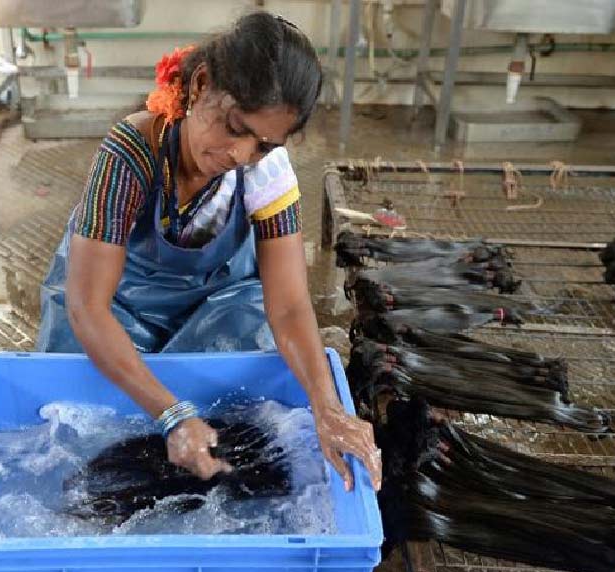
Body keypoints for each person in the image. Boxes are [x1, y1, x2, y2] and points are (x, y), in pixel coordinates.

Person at [36, 12, 381, 493]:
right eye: (234, 127)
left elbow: (287, 304)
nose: (241, 154)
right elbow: (88, 308)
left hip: (211, 301)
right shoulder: (128, 156)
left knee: (248, 395)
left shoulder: (267, 171)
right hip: (114, 304)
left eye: (263, 144)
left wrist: (327, 408)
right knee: (79, 419)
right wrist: (174, 413)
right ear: (200, 86)